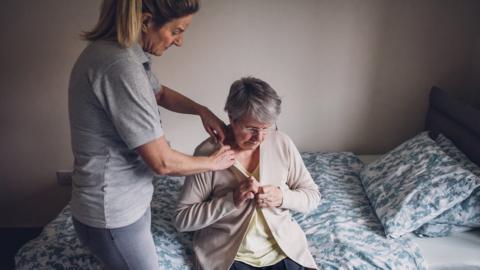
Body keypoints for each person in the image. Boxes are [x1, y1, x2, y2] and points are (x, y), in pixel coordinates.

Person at [68, 0, 235, 269]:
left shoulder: (124, 55)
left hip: (121, 204)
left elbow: (159, 93)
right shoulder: (119, 66)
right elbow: (162, 162)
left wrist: (201, 110)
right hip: (112, 213)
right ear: (146, 21)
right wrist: (214, 162)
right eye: (176, 31)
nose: (179, 41)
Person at [173, 77, 321, 270]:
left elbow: (312, 196)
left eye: (266, 128)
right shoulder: (209, 153)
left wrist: (282, 197)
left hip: (283, 250)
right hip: (230, 257)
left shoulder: (282, 143)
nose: (259, 138)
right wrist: (231, 201)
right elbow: (181, 219)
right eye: (251, 129)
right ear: (232, 119)